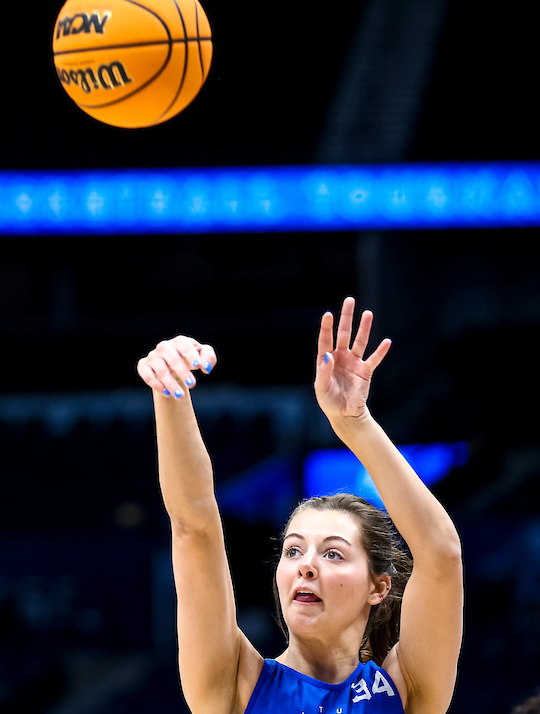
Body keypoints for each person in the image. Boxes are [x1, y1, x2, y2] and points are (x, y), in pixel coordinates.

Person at [136, 298, 463, 714]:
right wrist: (171, 389)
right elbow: (194, 528)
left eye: (332, 553)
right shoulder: (236, 685)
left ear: (379, 587)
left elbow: (441, 554)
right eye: (294, 550)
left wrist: (354, 424)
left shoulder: (406, 690)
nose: (306, 565)